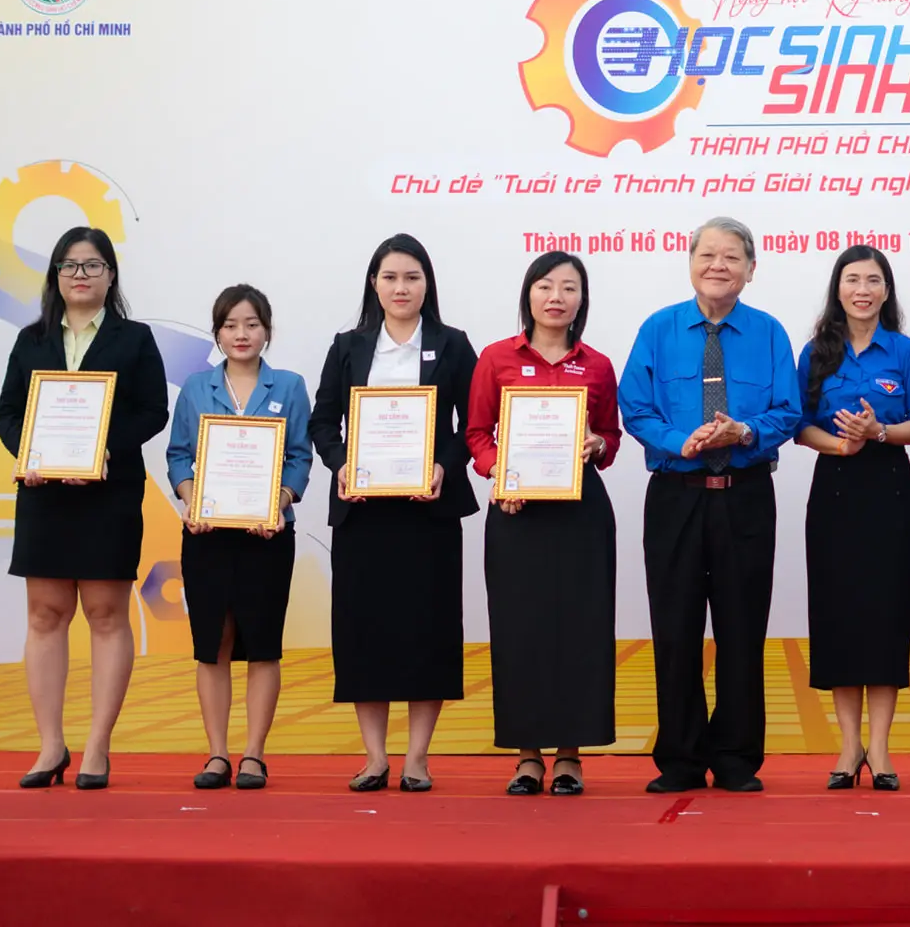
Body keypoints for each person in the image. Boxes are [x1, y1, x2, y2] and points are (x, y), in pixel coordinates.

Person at [620, 216, 803, 794]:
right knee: (674, 630)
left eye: (731, 257)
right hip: (676, 497)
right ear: (690, 261)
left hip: (745, 496)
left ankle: (736, 758)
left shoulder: (769, 333)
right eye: (708, 255)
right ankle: (679, 758)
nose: (718, 266)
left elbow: (788, 410)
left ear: (751, 269)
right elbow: (635, 407)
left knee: (741, 631)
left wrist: (744, 432)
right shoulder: (658, 329)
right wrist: (682, 441)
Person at [0, 226, 170, 791]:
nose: (80, 275)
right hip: (44, 494)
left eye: (92, 265)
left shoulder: (134, 338)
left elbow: (154, 410)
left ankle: (97, 745)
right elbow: (7, 414)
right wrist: (29, 452)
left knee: (106, 614)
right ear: (55, 275)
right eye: (69, 265)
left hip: (108, 494)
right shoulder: (31, 339)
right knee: (45, 615)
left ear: (110, 275)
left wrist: (104, 447)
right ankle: (50, 745)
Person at [312, 233, 478, 793]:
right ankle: (375, 757)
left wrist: (444, 467)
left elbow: (474, 423)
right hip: (364, 515)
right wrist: (341, 464)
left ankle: (417, 759)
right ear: (374, 284)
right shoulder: (349, 346)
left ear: (427, 283)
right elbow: (323, 422)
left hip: (428, 513)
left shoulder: (453, 345)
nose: (401, 287)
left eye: (412, 277)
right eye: (390, 277)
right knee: (366, 633)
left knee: (428, 632)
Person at [466, 251, 623, 797]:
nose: (556, 297)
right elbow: (477, 434)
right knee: (521, 629)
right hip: (517, 513)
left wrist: (597, 443)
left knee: (581, 630)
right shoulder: (495, 358)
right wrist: (499, 475)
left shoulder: (597, 365)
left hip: (581, 515)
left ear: (582, 299)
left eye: (569, 288)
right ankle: (528, 755)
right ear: (528, 294)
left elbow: (611, 438)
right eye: (545, 286)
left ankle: (571, 754)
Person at [794, 246, 910, 791]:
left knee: (885, 615)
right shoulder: (817, 351)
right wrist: (839, 445)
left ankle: (880, 748)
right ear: (838, 288)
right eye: (852, 279)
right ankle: (849, 746)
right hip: (835, 487)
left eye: (873, 280)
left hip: (889, 487)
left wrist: (878, 432)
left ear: (886, 290)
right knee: (840, 616)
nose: (863, 290)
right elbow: (799, 424)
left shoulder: (906, 351)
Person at [166, 284, 312, 792]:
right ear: (217, 333)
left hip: (268, 535)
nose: (241, 334)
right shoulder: (195, 388)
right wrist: (191, 500)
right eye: (230, 325)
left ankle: (253, 754)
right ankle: (217, 754)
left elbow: (299, 456)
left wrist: (280, 502)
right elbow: (178, 455)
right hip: (207, 534)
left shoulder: (289, 386)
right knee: (214, 645)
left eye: (251, 324)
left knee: (264, 645)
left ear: (267, 330)